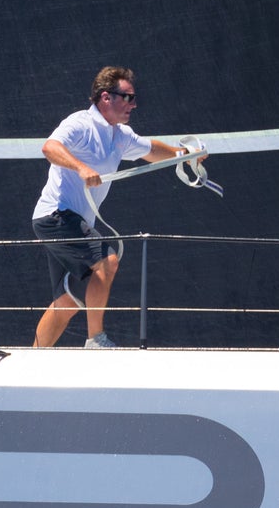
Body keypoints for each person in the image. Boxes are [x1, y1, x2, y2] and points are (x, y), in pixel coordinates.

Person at [31, 67, 196, 348]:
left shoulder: (121, 135)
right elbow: (50, 148)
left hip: (65, 221)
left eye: (134, 97)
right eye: (128, 97)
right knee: (107, 262)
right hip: (56, 216)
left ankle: (30, 361)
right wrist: (81, 167)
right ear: (106, 97)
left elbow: (151, 150)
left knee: (68, 301)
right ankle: (95, 340)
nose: (134, 104)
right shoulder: (80, 124)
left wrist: (186, 156)